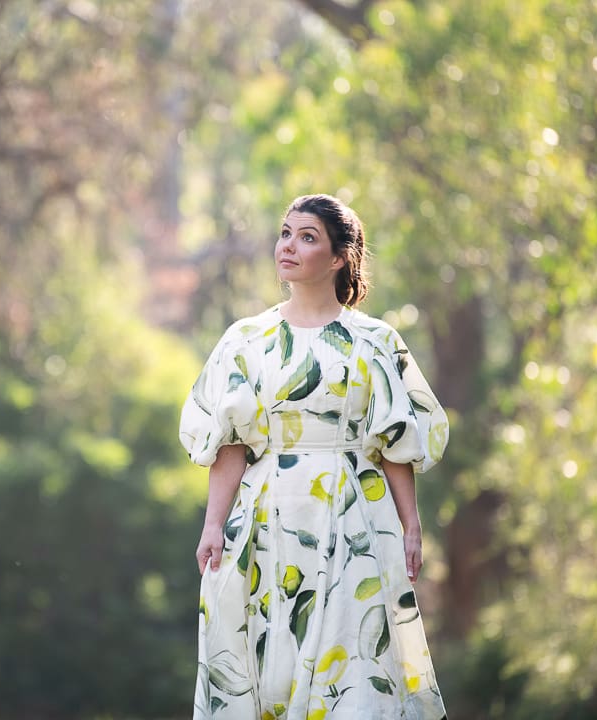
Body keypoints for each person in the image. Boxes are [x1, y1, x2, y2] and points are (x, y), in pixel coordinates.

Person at [179, 194, 449, 719]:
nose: (289, 246)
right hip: (266, 520)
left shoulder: (373, 340)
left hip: (354, 519)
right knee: (270, 661)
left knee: (352, 665)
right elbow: (231, 444)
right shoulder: (247, 340)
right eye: (285, 233)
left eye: (307, 237)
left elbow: (393, 440)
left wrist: (411, 524)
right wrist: (213, 526)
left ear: (338, 258)